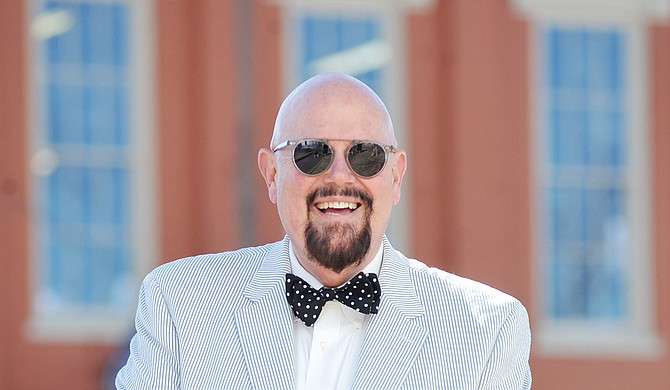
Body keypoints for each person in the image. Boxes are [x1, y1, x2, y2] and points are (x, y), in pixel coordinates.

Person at [116, 73, 532, 389]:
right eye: (312, 153)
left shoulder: (488, 331)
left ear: (396, 175)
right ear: (272, 173)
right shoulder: (179, 303)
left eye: (365, 155)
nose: (339, 176)